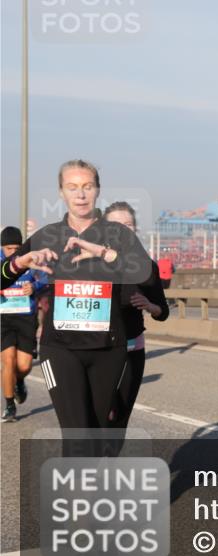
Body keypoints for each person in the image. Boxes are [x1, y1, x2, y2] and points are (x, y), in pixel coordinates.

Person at [0, 160, 158, 432]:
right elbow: (3, 275)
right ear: (61, 192)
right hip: (59, 347)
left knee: (98, 436)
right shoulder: (47, 235)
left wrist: (104, 253)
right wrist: (21, 263)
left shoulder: (118, 234)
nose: (80, 194)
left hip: (109, 348)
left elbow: (148, 275)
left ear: (98, 190)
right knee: (77, 436)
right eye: (72, 187)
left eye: (87, 186)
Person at [103, 202, 169, 429]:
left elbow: (163, 311)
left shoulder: (146, 266)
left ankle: (109, 461)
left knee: (119, 417)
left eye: (127, 224)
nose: (122, 229)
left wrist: (150, 305)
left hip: (132, 348)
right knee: (100, 414)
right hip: (96, 350)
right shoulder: (88, 263)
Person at [1, 226, 47, 422]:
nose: (13, 252)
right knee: (8, 360)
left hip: (26, 317)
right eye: (8, 248)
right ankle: (9, 405)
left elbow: (46, 277)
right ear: (2, 247)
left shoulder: (29, 258)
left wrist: (34, 286)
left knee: (24, 365)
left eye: (16, 248)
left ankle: (19, 381)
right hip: (3, 318)